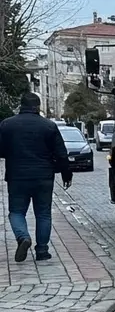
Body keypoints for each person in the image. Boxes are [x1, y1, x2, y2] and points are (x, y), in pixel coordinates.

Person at [0, 93, 72, 262]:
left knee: (16, 212)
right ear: (38, 107)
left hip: (17, 176)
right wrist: (66, 174)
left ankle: (23, 237)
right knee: (43, 214)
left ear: (20, 105)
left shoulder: (7, 125)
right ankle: (42, 251)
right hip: (44, 176)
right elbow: (61, 154)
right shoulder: (49, 126)